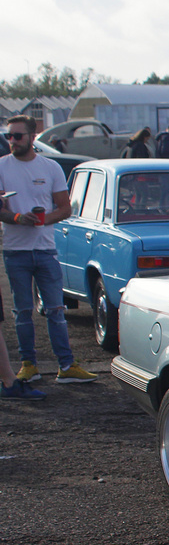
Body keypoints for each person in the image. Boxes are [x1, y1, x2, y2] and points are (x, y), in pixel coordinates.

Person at [0, 115, 98, 384]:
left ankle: (66, 366)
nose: (12, 141)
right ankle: (28, 364)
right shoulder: (2, 167)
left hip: (45, 250)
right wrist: (18, 218)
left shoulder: (51, 167)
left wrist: (42, 220)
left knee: (56, 310)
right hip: (15, 251)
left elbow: (65, 208)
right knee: (22, 311)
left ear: (33, 137)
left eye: (17, 136)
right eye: (9, 136)